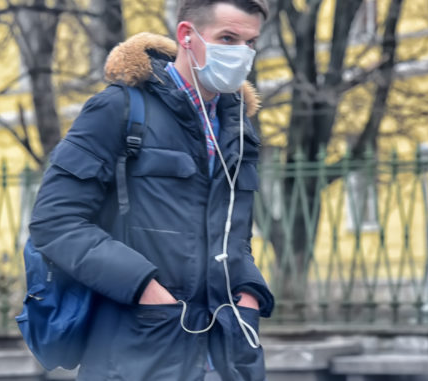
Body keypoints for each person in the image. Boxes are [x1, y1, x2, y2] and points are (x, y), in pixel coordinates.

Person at [29, 0, 274, 379]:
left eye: (250, 42)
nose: (242, 54)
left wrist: (250, 293)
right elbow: (55, 221)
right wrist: (145, 288)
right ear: (186, 36)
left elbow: (233, 236)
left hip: (227, 352)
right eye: (227, 38)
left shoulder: (237, 129)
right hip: (138, 345)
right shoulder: (119, 109)